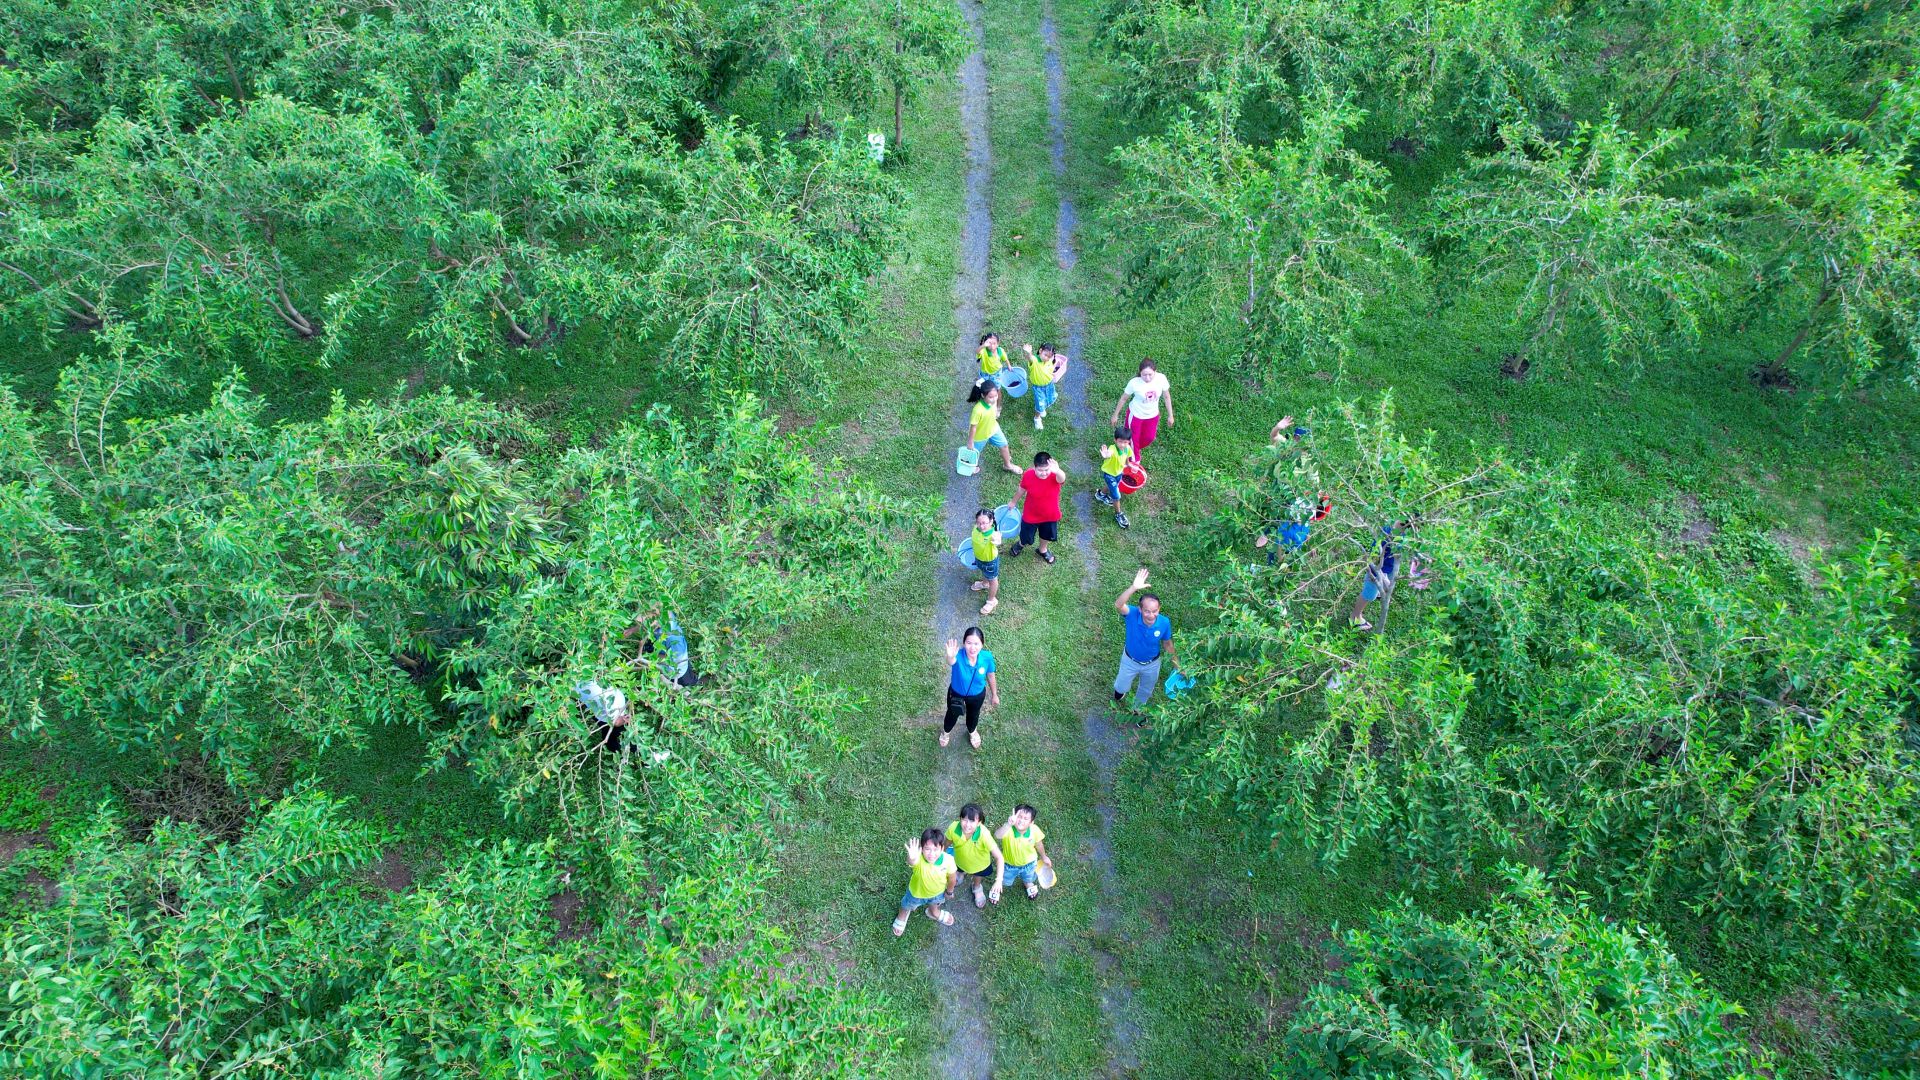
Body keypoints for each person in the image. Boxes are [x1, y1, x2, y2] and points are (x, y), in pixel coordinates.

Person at [1113, 568, 1180, 708]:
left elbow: (1168, 644)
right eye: (1147, 611)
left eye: (1155, 611)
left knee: (1145, 691)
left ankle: (1137, 710)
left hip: (1152, 664)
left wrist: (1178, 666)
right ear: (1140, 609)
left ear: (1159, 609)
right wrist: (1134, 587)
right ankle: (1121, 692)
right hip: (1129, 660)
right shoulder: (1132, 615)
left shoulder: (1164, 622)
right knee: (1120, 687)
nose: (1151, 615)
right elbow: (1118, 605)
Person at [942, 627, 999, 748]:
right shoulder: (958, 655)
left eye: (976, 643)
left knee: (974, 715)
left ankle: (972, 732)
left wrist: (994, 694)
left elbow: (991, 675)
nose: (972, 648)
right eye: (969, 643)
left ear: (982, 644)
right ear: (964, 643)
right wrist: (950, 656)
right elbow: (951, 661)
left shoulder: (987, 657)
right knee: (951, 715)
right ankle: (945, 733)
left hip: (977, 696)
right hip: (956, 695)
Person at [895, 828, 959, 936]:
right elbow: (912, 861)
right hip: (916, 893)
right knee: (906, 905)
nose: (931, 854)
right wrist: (911, 857)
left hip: (937, 894)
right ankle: (902, 915)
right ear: (921, 849)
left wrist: (949, 891)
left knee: (934, 905)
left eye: (935, 849)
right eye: (927, 849)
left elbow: (952, 878)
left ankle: (933, 912)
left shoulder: (948, 860)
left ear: (942, 848)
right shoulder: (918, 859)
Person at [1110, 359, 1173, 461]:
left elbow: (1166, 397)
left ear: (1155, 371)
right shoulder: (1134, 383)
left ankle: (1127, 449)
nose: (1147, 378)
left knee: (1149, 438)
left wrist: (1171, 415)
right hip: (1136, 415)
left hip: (1152, 415)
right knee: (1133, 439)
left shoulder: (1161, 379)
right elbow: (1123, 398)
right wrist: (1115, 415)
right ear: (1140, 373)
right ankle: (1134, 461)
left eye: (1150, 375)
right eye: (1144, 375)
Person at [1007, 451, 1064, 564]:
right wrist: (1013, 502)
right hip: (1031, 513)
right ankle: (1021, 544)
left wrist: (1057, 470)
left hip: (1050, 515)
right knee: (1026, 533)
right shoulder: (1028, 475)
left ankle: (1042, 550)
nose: (1044, 473)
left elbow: (1062, 478)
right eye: (1040, 470)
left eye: (1046, 470)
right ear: (1034, 467)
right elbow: (1021, 490)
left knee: (1046, 535)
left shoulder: (1055, 476)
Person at [946, 803, 1007, 907]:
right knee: (959, 868)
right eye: (964, 819)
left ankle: (977, 887)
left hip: (980, 865)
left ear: (979, 823)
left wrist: (999, 880)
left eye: (972, 821)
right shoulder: (953, 828)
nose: (967, 824)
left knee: (978, 876)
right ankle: (960, 874)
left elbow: (999, 857)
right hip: (959, 860)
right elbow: (945, 844)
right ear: (960, 818)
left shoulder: (984, 835)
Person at [626, 609, 700, 689]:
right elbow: (648, 622)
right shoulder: (666, 615)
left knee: (687, 681)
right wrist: (631, 630)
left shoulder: (674, 639)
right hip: (666, 651)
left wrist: (649, 656)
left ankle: (696, 684)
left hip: (676, 669)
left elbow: (674, 660)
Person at [994, 804, 1052, 900]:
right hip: (1009, 865)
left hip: (1029, 864)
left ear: (1031, 822)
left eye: (1025, 818)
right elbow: (997, 835)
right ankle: (998, 886)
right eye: (1019, 817)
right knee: (1006, 880)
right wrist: (1008, 824)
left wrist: (1044, 856)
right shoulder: (1008, 830)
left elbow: (1039, 844)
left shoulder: (1034, 830)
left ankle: (1028, 883)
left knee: (1028, 877)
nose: (1021, 820)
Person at [1349, 524, 1400, 631]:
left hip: (1388, 567)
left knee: (1383, 585)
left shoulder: (1401, 531)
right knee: (1369, 594)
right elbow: (1374, 558)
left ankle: (1379, 591)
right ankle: (1355, 617)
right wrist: (1380, 575)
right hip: (1377, 569)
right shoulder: (1388, 534)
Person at [967, 380, 1020, 475]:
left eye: (996, 396)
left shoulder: (993, 402)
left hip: (994, 429)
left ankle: (1007, 465)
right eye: (991, 397)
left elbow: (994, 410)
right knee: (974, 453)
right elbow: (973, 427)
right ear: (983, 395)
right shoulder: (977, 410)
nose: (994, 399)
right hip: (980, 436)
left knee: (1004, 445)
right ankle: (971, 466)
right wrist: (970, 442)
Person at [966, 507, 1008, 615]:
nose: (981, 526)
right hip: (979, 559)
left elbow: (998, 538)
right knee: (985, 573)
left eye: (984, 523)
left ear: (991, 521)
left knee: (993, 579)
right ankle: (985, 584)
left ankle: (992, 601)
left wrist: (997, 539)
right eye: (979, 523)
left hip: (990, 562)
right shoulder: (977, 528)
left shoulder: (993, 534)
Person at [1021, 343, 1069, 430]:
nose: (1046, 358)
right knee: (1040, 404)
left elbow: (1051, 368)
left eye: (1049, 356)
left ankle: (1042, 409)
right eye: (1045, 355)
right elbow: (1030, 358)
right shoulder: (1035, 361)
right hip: (1039, 388)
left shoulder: (1049, 361)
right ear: (1040, 351)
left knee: (1048, 398)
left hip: (1049, 385)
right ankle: (1037, 418)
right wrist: (1028, 353)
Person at [1093, 426, 1133, 530]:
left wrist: (1128, 465)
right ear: (1115, 440)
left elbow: (1127, 456)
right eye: (1120, 442)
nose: (1123, 444)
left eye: (1125, 442)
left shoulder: (1127, 448)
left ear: (1129, 442)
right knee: (1116, 496)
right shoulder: (1112, 449)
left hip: (1118, 473)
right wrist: (1105, 455)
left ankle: (1100, 494)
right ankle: (1119, 514)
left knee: (1110, 486)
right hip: (1109, 475)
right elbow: (1108, 454)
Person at [576, 680, 631, 752]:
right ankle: (621, 747)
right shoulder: (593, 675)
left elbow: (616, 722)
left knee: (611, 735)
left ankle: (617, 748)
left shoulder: (573, 685)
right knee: (618, 731)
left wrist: (623, 719)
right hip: (613, 706)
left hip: (609, 714)